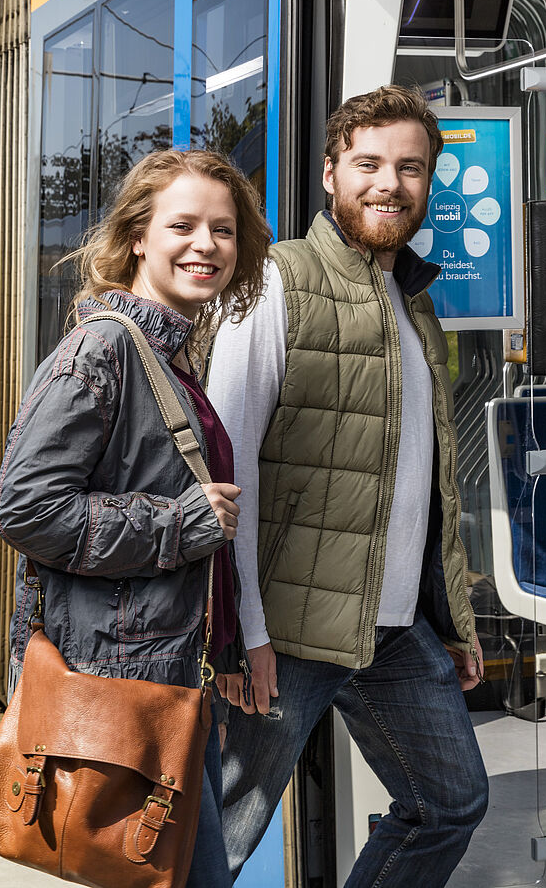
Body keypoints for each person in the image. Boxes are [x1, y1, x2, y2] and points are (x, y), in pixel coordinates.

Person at [208, 84, 487, 885]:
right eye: (368, 163)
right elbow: (227, 470)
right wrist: (239, 632)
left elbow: (425, 485)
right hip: (285, 633)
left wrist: (453, 618)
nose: (388, 183)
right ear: (331, 174)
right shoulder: (277, 282)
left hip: (392, 631)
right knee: (218, 840)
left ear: (429, 182)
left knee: (450, 800)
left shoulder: (413, 301)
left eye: (409, 167)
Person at [0, 148, 271, 887]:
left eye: (223, 229)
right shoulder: (106, 346)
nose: (205, 244)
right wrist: (176, 524)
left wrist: (233, 651)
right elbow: (25, 505)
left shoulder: (169, 351)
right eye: (183, 225)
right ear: (139, 236)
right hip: (127, 687)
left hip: (175, 681)